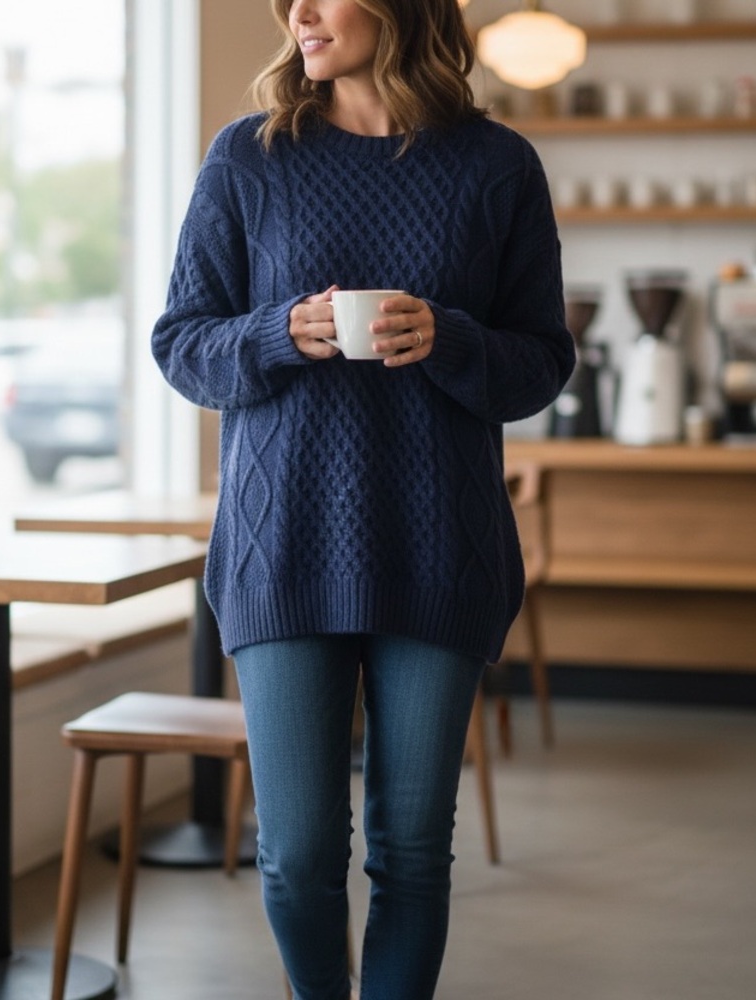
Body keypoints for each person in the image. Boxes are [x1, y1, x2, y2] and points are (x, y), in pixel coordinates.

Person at [151, 1, 574, 996]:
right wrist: (272, 333)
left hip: (441, 548)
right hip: (281, 545)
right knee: (296, 856)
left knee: (412, 854)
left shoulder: (497, 166)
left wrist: (453, 340)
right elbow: (181, 342)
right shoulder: (247, 158)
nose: (296, 11)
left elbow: (543, 360)